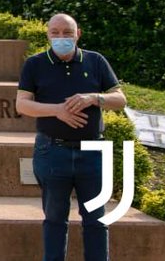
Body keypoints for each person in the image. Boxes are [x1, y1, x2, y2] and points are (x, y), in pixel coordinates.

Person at [17, 13, 126, 261]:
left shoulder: (95, 61)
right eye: (55, 32)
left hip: (93, 151)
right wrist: (58, 111)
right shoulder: (34, 64)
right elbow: (22, 104)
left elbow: (120, 99)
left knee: (96, 220)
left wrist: (94, 98)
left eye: (67, 32)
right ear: (48, 35)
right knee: (55, 219)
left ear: (78, 34)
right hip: (52, 151)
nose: (61, 37)